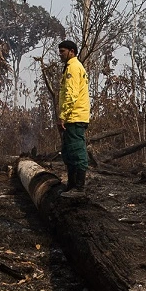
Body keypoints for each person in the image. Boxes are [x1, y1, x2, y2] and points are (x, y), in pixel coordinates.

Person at [56, 39, 90, 196]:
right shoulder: (72, 67)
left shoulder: (73, 68)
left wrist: (62, 116)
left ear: (72, 51)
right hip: (72, 117)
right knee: (68, 151)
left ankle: (79, 188)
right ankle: (71, 185)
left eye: (63, 51)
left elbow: (71, 95)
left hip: (74, 117)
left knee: (76, 151)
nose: (60, 55)